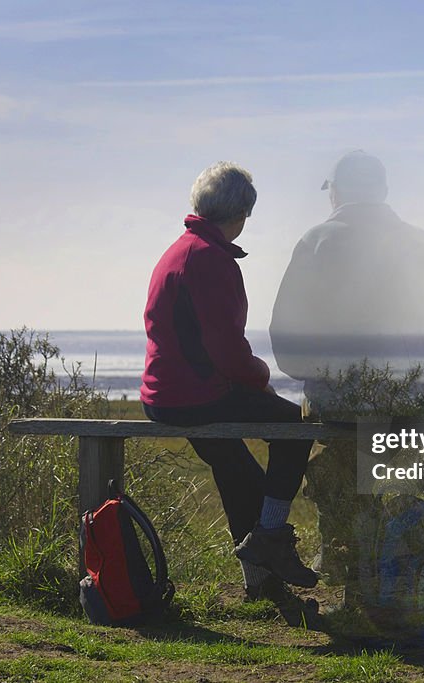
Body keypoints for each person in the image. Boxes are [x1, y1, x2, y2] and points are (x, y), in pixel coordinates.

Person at [270, 150, 424, 597]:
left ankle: (348, 560)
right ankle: (377, 555)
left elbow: (285, 334)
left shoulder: (317, 240)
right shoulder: (419, 241)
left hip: (343, 402)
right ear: (384, 191)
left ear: (334, 191)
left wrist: (311, 371)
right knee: (366, 461)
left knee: (338, 458)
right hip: (419, 400)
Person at [141, 161, 317, 598]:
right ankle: (270, 537)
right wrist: (260, 379)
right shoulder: (210, 260)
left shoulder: (180, 249)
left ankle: (262, 586)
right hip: (194, 395)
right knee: (295, 427)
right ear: (240, 215)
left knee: (238, 471)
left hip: (164, 393)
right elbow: (226, 349)